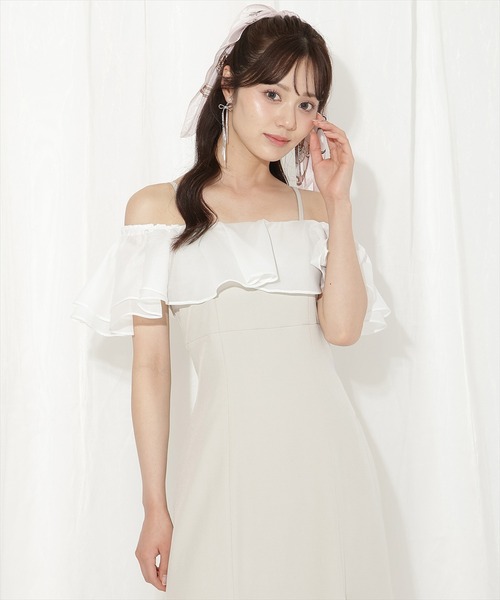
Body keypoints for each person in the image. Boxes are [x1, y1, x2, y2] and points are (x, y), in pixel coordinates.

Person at [71, 4, 393, 598]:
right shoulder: (157, 212)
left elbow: (343, 331)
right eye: (272, 94)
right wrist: (154, 505)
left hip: (325, 460)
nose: (289, 119)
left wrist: (339, 203)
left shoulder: (317, 211)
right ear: (229, 84)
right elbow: (152, 369)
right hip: (225, 463)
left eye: (306, 104)